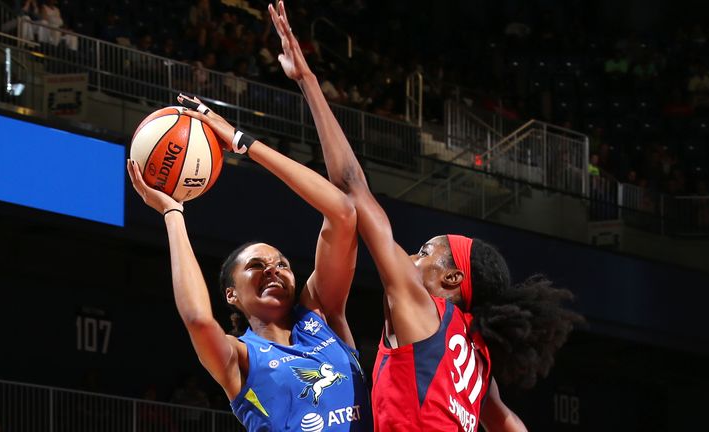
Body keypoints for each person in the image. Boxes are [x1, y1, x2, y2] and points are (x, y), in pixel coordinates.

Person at [268, 2, 584, 431]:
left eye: (423, 252)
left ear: (451, 280)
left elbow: (351, 185)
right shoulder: (477, 357)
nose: (411, 259)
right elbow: (508, 422)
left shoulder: (421, 307)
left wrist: (307, 81)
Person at [126, 95, 372, 431]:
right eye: (256, 266)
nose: (272, 268)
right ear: (232, 294)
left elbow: (343, 213)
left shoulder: (323, 315)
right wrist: (172, 213)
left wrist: (244, 142)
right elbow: (198, 319)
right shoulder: (239, 357)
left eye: (282, 264)